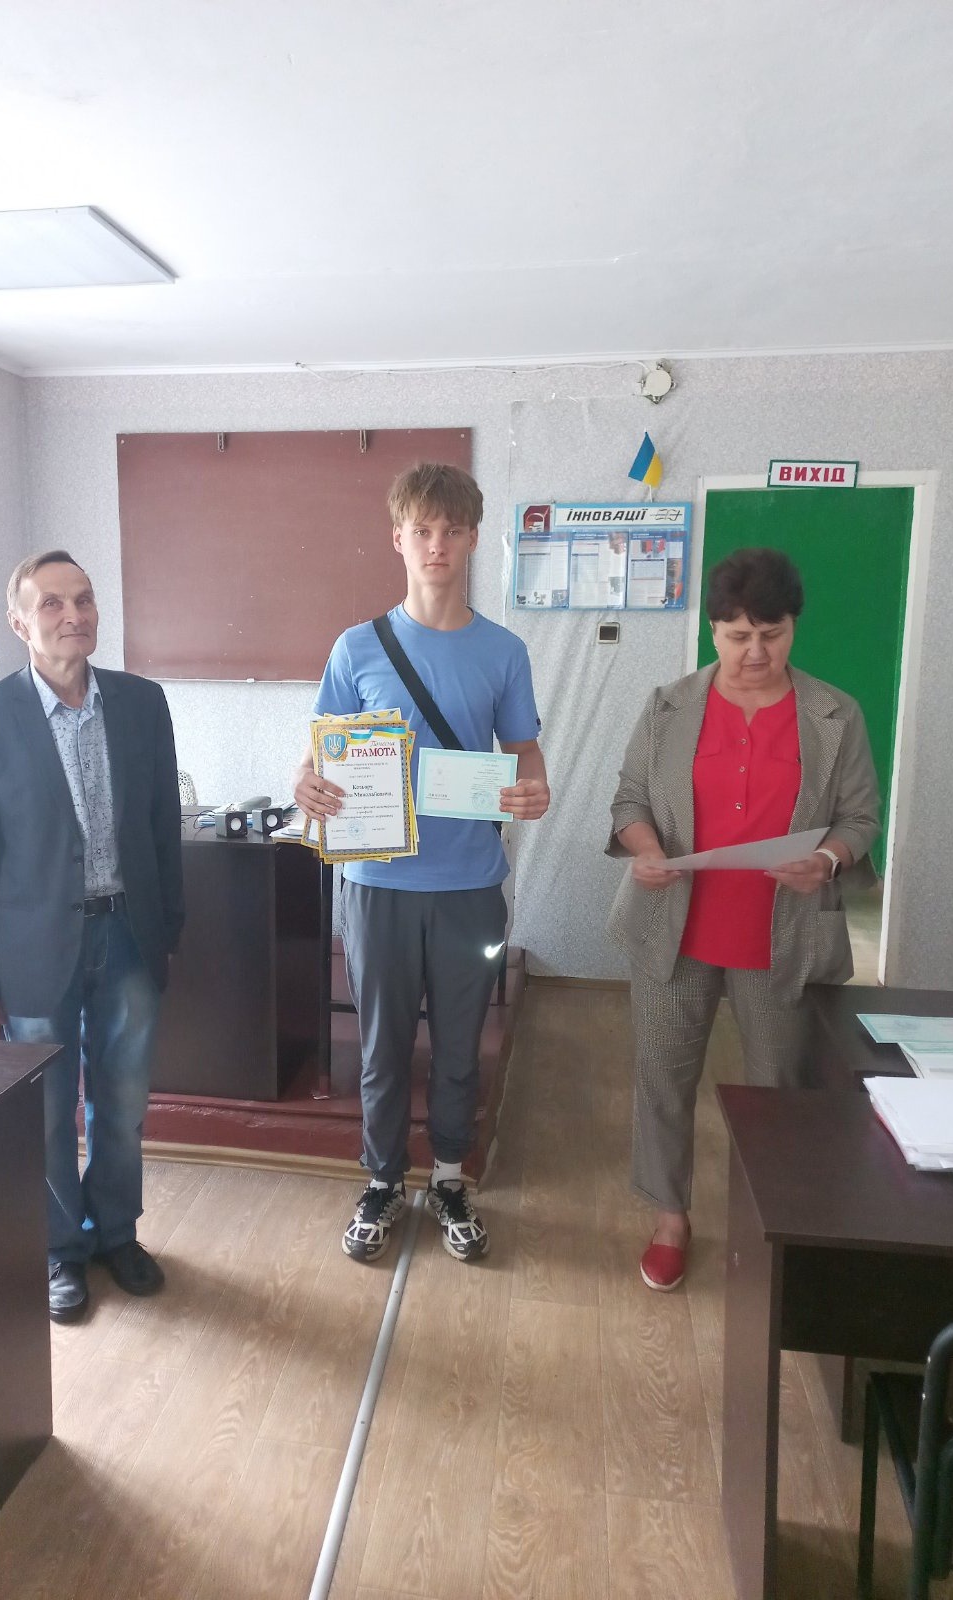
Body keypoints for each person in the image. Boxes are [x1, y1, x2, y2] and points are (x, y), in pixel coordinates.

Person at [294, 463, 549, 1264]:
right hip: (377, 884)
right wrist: (305, 783)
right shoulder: (356, 648)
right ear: (398, 539)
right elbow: (321, 756)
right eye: (423, 530)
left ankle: (447, 1178)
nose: (437, 544)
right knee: (382, 1045)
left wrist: (534, 788)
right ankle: (380, 1180)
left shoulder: (503, 651)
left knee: (461, 1043)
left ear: (472, 538)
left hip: (470, 885)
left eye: (452, 530)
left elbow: (523, 750)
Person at [606, 546, 880, 1292]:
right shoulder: (668, 707)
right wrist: (647, 849)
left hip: (782, 934)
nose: (755, 652)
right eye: (737, 635)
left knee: (778, 1092)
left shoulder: (834, 715)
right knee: (663, 1078)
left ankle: (770, 1221)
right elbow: (629, 800)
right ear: (713, 631)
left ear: (794, 627)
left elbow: (860, 818)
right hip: (677, 930)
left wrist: (826, 861)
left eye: (772, 633)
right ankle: (670, 1218)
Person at [0, 550, 185, 1323]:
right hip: (33, 953)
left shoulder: (142, 703)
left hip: (128, 938)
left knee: (123, 1102)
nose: (72, 614)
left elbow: (163, 828)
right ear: (20, 623)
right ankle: (61, 1249)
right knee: (48, 1112)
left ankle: (116, 1232)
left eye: (83, 599)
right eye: (51, 603)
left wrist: (168, 928)